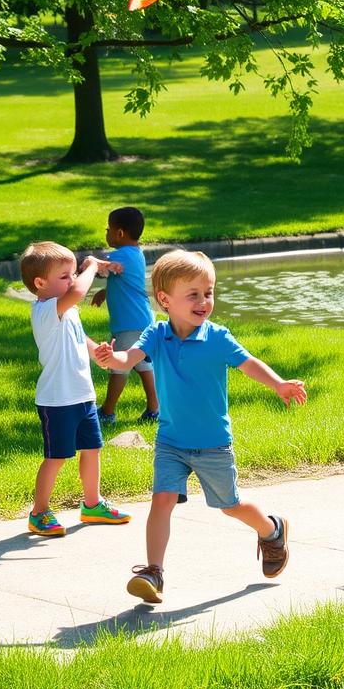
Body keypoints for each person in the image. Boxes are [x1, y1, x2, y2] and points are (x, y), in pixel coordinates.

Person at [94, 249, 306, 604]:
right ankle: (154, 572)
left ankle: (272, 530)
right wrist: (109, 358)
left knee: (230, 505)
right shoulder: (156, 335)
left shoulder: (217, 337)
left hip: (212, 444)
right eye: (192, 294)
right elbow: (127, 359)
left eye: (208, 293)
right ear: (165, 300)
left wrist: (279, 384)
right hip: (171, 441)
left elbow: (249, 363)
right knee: (161, 500)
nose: (203, 301)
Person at [20, 241, 131, 537]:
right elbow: (79, 292)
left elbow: (79, 337)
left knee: (93, 449)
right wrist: (92, 265)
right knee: (56, 457)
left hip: (82, 396)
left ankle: (92, 504)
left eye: (73, 274)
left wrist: (98, 353)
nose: (71, 281)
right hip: (57, 400)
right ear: (40, 283)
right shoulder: (44, 311)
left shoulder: (66, 311)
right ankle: (39, 512)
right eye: (64, 276)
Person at [90, 206, 160, 426]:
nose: (107, 233)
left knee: (118, 366)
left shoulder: (120, 255)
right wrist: (105, 291)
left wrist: (90, 262)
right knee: (143, 365)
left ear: (119, 233)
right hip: (143, 318)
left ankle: (107, 412)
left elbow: (102, 268)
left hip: (129, 325)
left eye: (108, 229)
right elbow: (126, 282)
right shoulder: (135, 253)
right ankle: (154, 408)